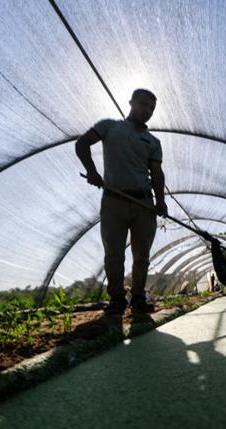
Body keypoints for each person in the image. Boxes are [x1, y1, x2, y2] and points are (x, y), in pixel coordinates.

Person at [75, 89, 168, 314]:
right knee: (114, 253)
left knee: (142, 255)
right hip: (113, 201)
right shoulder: (109, 127)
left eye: (152, 108)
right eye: (144, 104)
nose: (148, 110)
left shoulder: (152, 141)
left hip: (144, 204)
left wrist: (160, 201)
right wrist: (92, 171)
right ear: (131, 103)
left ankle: (138, 297)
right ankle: (117, 298)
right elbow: (82, 144)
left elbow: (157, 173)